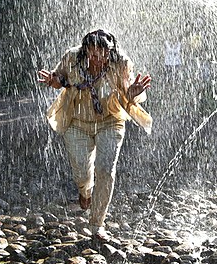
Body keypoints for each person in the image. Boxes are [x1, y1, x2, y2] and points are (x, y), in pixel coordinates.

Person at [37, 29, 152, 241]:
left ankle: (97, 225)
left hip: (110, 121)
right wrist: (53, 81)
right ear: (86, 50)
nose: (98, 57)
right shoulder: (72, 56)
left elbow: (128, 93)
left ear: (110, 51)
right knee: (81, 171)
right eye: (93, 52)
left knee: (106, 169)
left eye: (103, 53)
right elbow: (59, 79)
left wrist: (134, 92)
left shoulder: (121, 62)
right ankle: (84, 191)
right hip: (77, 122)